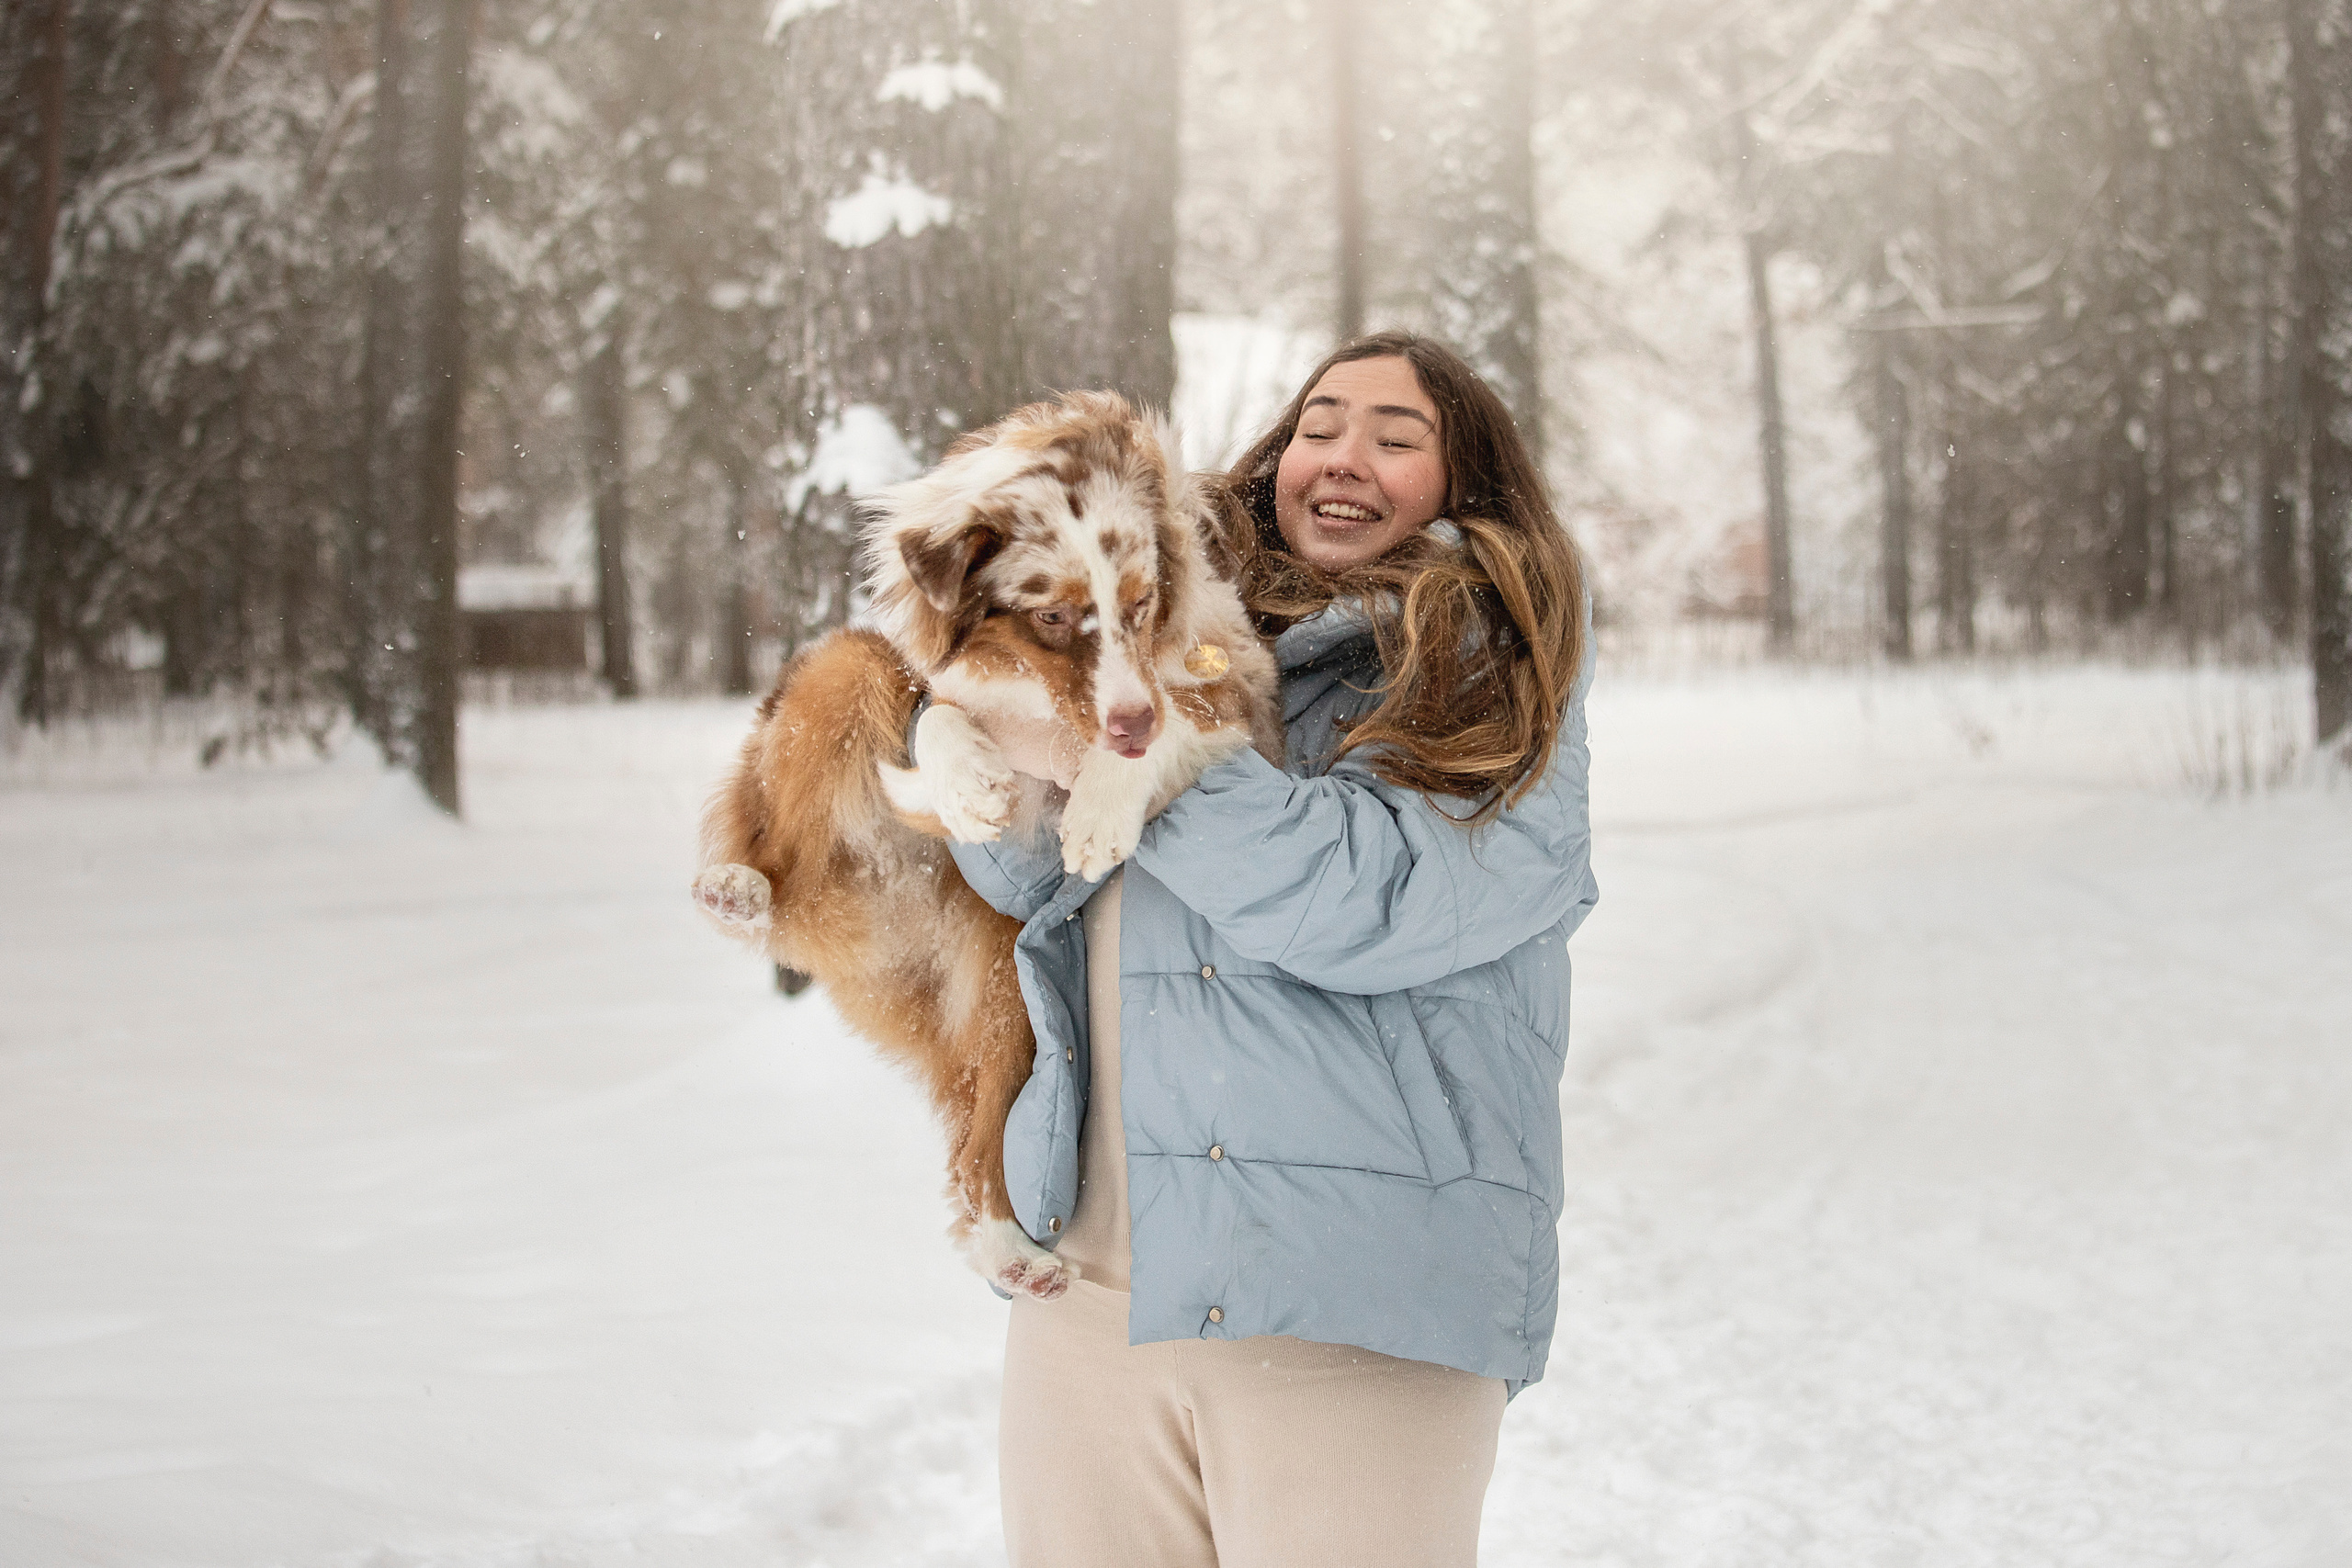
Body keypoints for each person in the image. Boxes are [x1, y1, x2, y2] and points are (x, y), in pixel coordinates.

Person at [949, 331, 1597, 1568]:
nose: (1345, 456)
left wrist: (1140, 761)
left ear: (1468, 485)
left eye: (1399, 438)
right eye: (1321, 424)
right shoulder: (1159, 631)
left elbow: (1365, 900)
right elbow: (1038, 887)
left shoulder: (1496, 669)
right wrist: (1001, 755)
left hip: (1355, 1319)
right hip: (1092, 1296)